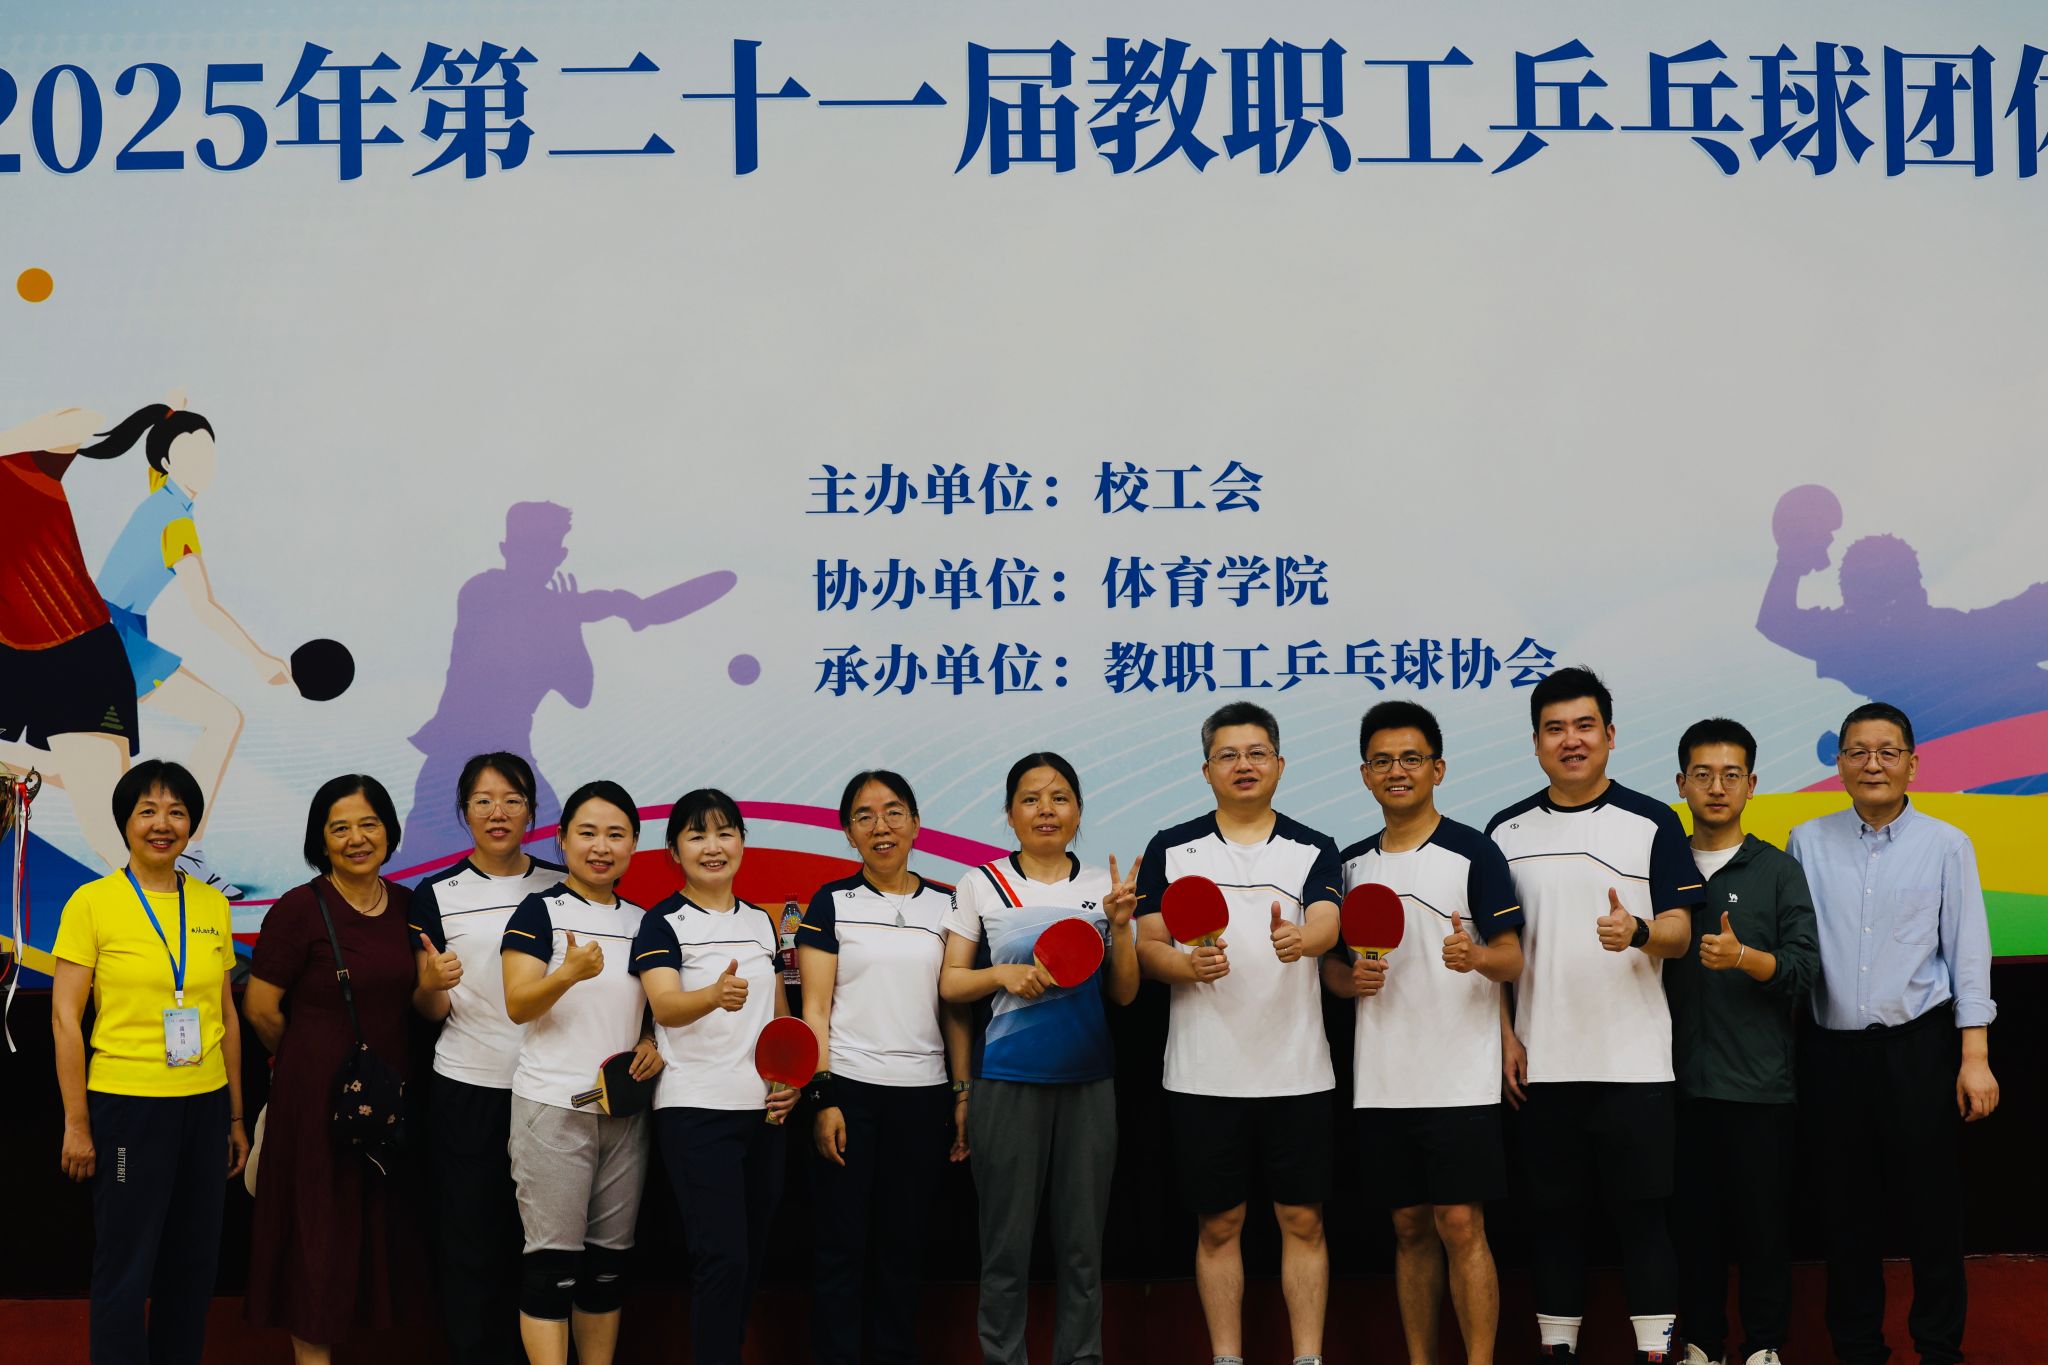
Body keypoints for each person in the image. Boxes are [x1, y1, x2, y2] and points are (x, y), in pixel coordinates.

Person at [1486, 667, 1702, 1364]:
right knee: (1553, 1222)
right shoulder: (1505, 831)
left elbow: (1680, 932)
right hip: (1542, 1064)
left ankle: (1655, 1353)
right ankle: (1558, 1352)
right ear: (1536, 742)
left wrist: (1638, 930)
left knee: (1644, 1218)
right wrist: (1505, 1036)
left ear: (1609, 734)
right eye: (1555, 728)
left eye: (1584, 726)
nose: (1570, 740)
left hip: (1635, 1064)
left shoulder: (1653, 821)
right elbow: (1498, 952)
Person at [1787, 702, 1999, 1365]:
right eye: (1858, 751)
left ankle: (1938, 1348)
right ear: (1839, 763)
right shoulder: (1806, 841)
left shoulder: (1946, 844)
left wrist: (1974, 1056)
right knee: (1844, 1215)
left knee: (1932, 1212)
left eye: (1887, 751)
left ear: (1913, 763)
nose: (1872, 763)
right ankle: (1857, 1350)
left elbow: (1968, 953)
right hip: (1831, 1053)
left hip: (1917, 1049)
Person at [1133, 702, 1342, 1365]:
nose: (1243, 765)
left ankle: (1307, 1357)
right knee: (1219, 1223)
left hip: (1297, 1070)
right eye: (1228, 754)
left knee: (1302, 1219)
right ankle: (1227, 1358)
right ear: (1206, 770)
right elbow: (1148, 947)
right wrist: (1185, 965)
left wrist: (1302, 939)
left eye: (1256, 753)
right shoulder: (1171, 848)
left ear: (1279, 764)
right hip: (1203, 1073)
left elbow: (1329, 922)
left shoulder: (1314, 846)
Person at [1321, 701, 1522, 1365]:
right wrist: (1350, 980)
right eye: (1382, 761)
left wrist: (1477, 956)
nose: (1397, 771)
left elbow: (1512, 958)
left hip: (1460, 1076)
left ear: (1438, 768)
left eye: (1411, 758)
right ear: (1364, 774)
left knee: (1460, 1223)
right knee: (1409, 1227)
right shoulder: (1349, 866)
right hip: (1383, 1079)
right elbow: (1330, 969)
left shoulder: (1474, 851)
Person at [940, 752, 1142, 1365]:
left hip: (1088, 1083)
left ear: (1078, 810)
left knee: (1082, 1248)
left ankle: (1081, 1358)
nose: (1045, 810)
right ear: (1010, 814)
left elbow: (1124, 994)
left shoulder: (1103, 888)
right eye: (1030, 799)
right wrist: (1000, 974)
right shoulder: (981, 883)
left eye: (1059, 798)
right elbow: (951, 984)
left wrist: (1121, 927)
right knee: (1006, 1248)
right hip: (1005, 1082)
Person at [50, 759, 249, 1365]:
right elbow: (65, 1020)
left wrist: (235, 1117)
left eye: (177, 812)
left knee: (194, 1262)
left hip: (205, 1105)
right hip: (127, 1108)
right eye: (148, 811)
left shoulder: (212, 904)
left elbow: (226, 1015)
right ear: (125, 823)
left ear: (192, 824)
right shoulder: (92, 902)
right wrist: (77, 1123)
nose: (163, 824)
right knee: (126, 1263)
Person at [798, 769, 972, 1365]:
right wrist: (823, 1097)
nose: (882, 827)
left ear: (916, 824)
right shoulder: (831, 902)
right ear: (849, 833)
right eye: (865, 816)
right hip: (849, 1091)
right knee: (841, 1248)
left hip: (922, 1097)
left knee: (904, 1249)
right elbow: (815, 1009)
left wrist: (961, 1090)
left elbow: (954, 1008)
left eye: (894, 812)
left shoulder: (947, 904)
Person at [243, 774, 418, 1363]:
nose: (356, 838)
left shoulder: (410, 907)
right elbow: (260, 1008)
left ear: (389, 831)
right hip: (314, 1107)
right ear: (321, 840)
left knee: (370, 1242)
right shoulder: (299, 909)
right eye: (340, 828)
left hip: (385, 1105)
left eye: (369, 824)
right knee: (316, 1243)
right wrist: (308, 1061)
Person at [1664, 719, 1818, 1365]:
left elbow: (1805, 971)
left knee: (1763, 1232)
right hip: (1675, 1086)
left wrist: (1745, 957)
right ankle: (1702, 1345)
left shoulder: (1778, 870)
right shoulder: (1660, 868)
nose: (1716, 787)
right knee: (1691, 1229)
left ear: (1752, 784)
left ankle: (1763, 1348)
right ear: (1681, 783)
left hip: (1759, 1087)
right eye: (1702, 774)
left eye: (1731, 775)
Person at [407, 752, 565, 1365]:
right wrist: (430, 985)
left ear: (531, 811)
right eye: (483, 800)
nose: (498, 812)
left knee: (544, 1244)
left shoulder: (562, 886)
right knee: (471, 1240)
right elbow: (429, 1010)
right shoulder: (436, 894)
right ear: (464, 811)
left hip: (549, 1089)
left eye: (512, 800)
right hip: (468, 1086)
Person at [631, 789, 799, 1365]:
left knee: (749, 1258)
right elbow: (665, 1007)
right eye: (697, 835)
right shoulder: (661, 922)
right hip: (696, 1110)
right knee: (721, 1259)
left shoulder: (760, 921)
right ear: (673, 849)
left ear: (742, 843)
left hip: (764, 1114)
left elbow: (779, 1014)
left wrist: (790, 1078)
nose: (713, 846)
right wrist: (712, 995)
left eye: (725, 832)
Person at [92, 400, 292, 884]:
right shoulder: (175, 522)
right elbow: (203, 606)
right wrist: (258, 658)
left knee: (97, 762)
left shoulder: (164, 495)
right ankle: (190, 852)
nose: (205, 462)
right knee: (223, 718)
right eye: (191, 453)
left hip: (106, 633)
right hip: (112, 639)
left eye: (209, 451)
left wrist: (174, 413)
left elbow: (158, 469)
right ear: (166, 461)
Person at [501, 779, 662, 1365]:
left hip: (624, 1114)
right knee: (552, 1270)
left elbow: (652, 1009)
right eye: (587, 833)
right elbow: (518, 1003)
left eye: (616, 835)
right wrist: (568, 972)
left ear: (634, 844)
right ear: (563, 840)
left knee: (606, 1269)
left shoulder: (646, 921)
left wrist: (650, 1041)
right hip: (553, 1111)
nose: (601, 847)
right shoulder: (539, 911)